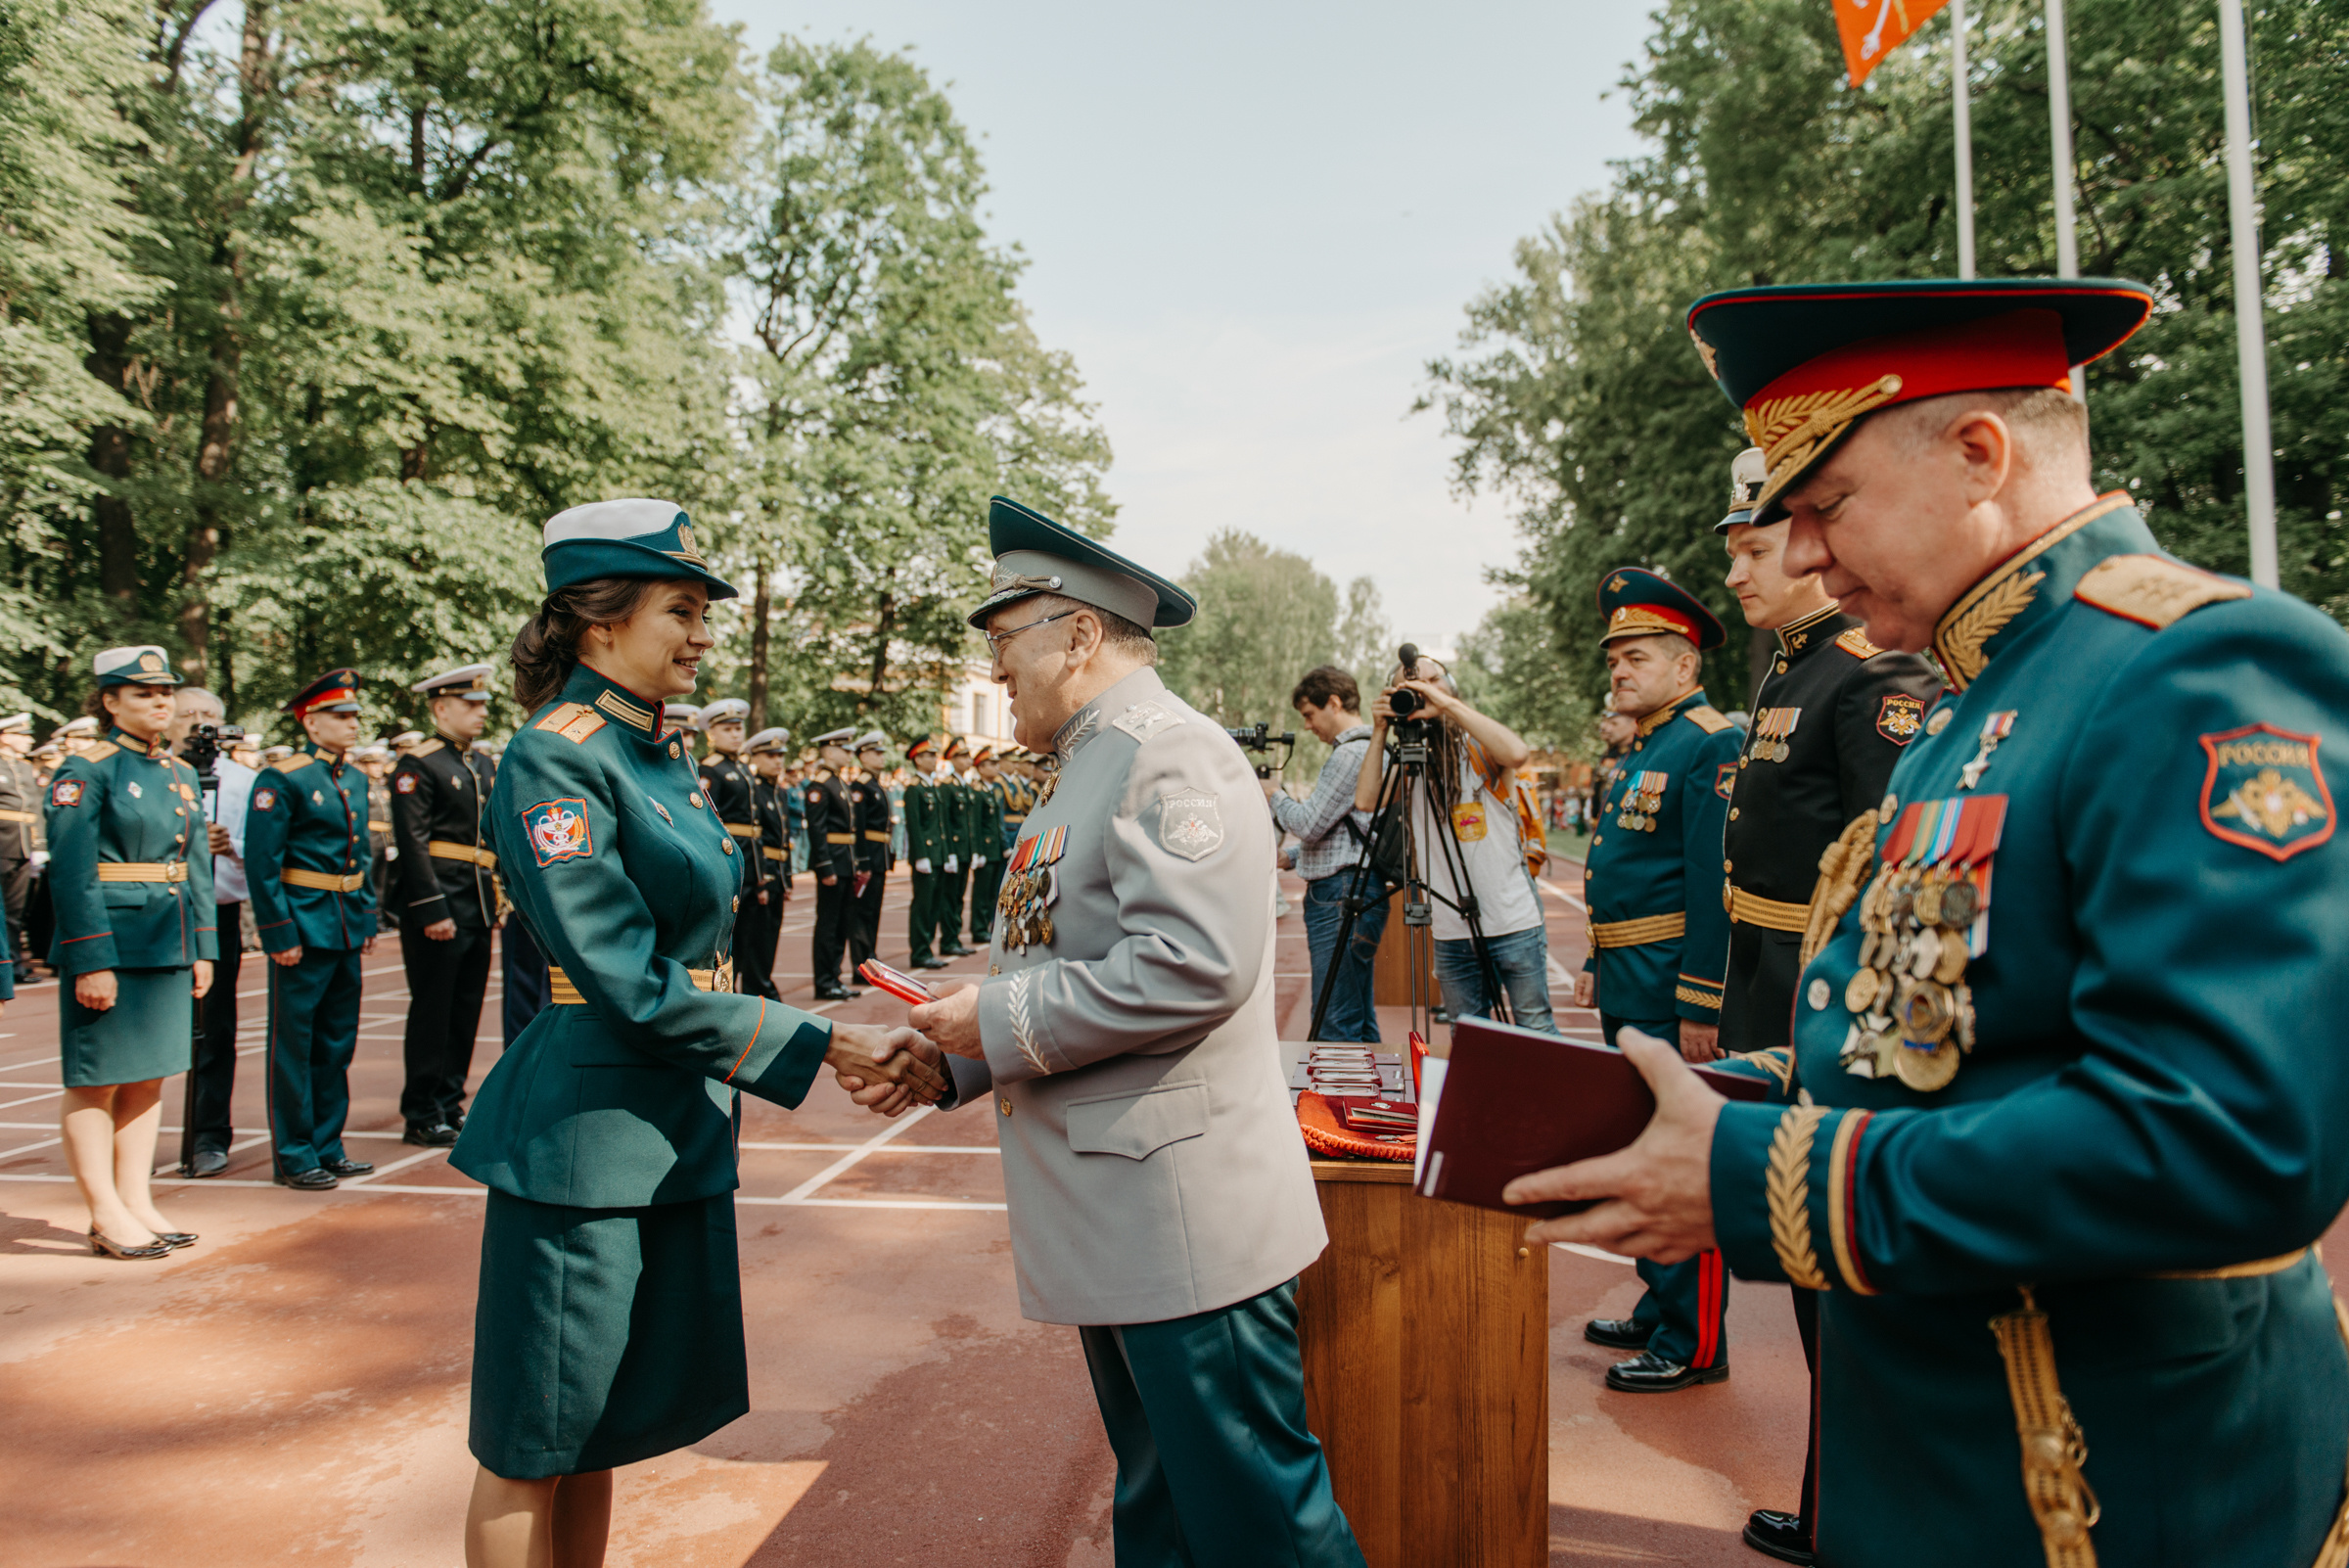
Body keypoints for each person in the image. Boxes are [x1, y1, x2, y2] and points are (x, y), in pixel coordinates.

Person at [1509, 276, 2349, 1567]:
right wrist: (1719, 1095)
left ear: (1977, 455)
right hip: (1953, 1459)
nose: (1798, 555)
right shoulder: (1976, 698)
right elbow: (1951, 1031)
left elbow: (2232, 1140)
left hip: (2099, 1486)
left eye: (1824, 505)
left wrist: (1752, 1174)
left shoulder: (2188, 667)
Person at [861, 495, 1364, 1568]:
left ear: (1080, 633)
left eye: (1005, 638)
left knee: (1260, 1522)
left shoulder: (1165, 755)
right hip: (1127, 1207)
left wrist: (987, 1019)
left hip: (1184, 1218)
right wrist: (952, 1059)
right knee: (1170, 1513)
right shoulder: (1084, 762)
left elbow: (1193, 967)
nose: (996, 668)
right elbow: (1060, 959)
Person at [449, 498, 941, 1568]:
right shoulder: (556, 757)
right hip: (585, 1137)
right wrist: (822, 1043)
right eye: (681, 609)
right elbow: (622, 974)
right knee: (533, 1434)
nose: (703, 634)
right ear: (598, 622)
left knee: (597, 1430)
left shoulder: (655, 755)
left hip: (666, 1121)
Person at [1713, 446, 1944, 1564]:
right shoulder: (1791, 669)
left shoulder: (1868, 676)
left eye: (1769, 541)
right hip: (1772, 985)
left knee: (1843, 1275)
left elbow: (1891, 885)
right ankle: (1832, 1493)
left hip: (1834, 1002)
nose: (1759, 567)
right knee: (1812, 1277)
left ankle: (1844, 1501)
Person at [1567, 570, 1743, 1395]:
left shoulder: (1710, 741)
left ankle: (1694, 1339)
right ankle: (1658, 1298)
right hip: (1632, 973)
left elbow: (1712, 883)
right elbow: (1627, 868)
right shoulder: (1650, 744)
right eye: (1615, 662)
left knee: (1681, 1153)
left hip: (1675, 981)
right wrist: (1602, 957)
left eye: (1636, 658)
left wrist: (1702, 1000)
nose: (1620, 672)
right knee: (1641, 1140)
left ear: (1685, 665)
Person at [45, 646, 216, 1257]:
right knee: (96, 1079)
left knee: (149, 1077)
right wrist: (91, 958)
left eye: (166, 692)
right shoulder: (85, 770)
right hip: (113, 945)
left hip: (167, 940)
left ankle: (136, 1198)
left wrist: (204, 946)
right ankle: (103, 1211)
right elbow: (70, 874)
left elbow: (196, 866)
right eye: (143, 693)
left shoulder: (178, 772)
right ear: (110, 702)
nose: (160, 702)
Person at [1354, 656, 1554, 1034]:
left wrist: (1443, 703)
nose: (1424, 690)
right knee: (1470, 1040)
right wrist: (1379, 730)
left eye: (1434, 680)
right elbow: (1366, 800)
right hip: (1451, 930)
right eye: (1411, 687)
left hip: (1512, 920)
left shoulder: (1478, 746)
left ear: (1452, 687)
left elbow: (1516, 753)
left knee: (1536, 1031)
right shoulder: (1410, 765)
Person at [245, 669, 380, 1191]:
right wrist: (278, 933)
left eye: (354, 716)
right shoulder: (285, 778)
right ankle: (295, 1152)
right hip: (303, 926)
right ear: (310, 720)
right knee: (294, 1046)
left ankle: (329, 1144)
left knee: (336, 1043)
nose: (352, 725)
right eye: (341, 716)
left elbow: (360, 854)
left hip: (344, 925)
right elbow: (263, 863)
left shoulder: (355, 778)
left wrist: (366, 915)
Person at [389, 663, 501, 1148]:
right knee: (433, 1008)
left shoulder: (480, 764)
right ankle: (421, 1109)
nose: (480, 713)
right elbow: (412, 844)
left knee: (466, 1008)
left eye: (482, 705)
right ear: (440, 707)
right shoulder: (420, 764)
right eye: (469, 705)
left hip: (476, 899)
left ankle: (450, 1101)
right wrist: (431, 907)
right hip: (440, 901)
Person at [1266, 666, 1384, 1041]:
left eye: (1309, 715)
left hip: (1341, 895)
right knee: (1356, 1014)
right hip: (1354, 889)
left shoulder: (1351, 754)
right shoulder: (1365, 750)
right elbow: (1346, 830)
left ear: (1333, 703)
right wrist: (1296, 856)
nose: (1308, 726)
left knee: (1334, 1018)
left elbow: (1311, 822)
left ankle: (1336, 1102)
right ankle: (1373, 1099)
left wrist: (1273, 794)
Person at [170, 686, 256, 1178]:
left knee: (215, 1027)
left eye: (207, 715)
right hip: (159, 912)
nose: (198, 723)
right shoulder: (161, 773)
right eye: (188, 714)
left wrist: (228, 845)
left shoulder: (241, 780)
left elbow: (257, 851)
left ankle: (208, 1134)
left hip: (217, 913)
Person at [695, 698, 770, 996]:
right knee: (730, 938)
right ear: (712, 734)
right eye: (727, 729)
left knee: (753, 934)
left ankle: (752, 993)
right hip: (730, 857)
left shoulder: (742, 768)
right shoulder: (710, 769)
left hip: (750, 859)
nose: (736, 734)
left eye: (738, 728)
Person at [802, 727, 860, 999]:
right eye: (844, 749)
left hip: (845, 861)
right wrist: (824, 865)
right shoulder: (821, 784)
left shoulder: (838, 782)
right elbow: (817, 828)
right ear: (828, 750)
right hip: (833, 863)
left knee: (841, 923)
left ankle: (834, 976)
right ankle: (824, 981)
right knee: (828, 924)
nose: (849, 754)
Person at [743, 725, 792, 1002]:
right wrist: (763, 878)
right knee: (756, 938)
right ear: (756, 758)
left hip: (777, 872)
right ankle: (758, 988)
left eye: (780, 755)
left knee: (770, 936)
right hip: (761, 872)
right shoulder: (754, 790)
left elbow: (783, 842)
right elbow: (756, 838)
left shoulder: (779, 792)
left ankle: (762, 984)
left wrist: (786, 880)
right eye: (770, 755)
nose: (777, 761)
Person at [900, 736, 948, 969]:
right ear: (917, 759)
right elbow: (915, 825)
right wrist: (920, 855)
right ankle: (919, 951)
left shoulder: (933, 787)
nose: (934, 759)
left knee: (934, 905)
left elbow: (941, 826)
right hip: (926, 856)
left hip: (938, 854)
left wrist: (947, 854)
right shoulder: (914, 788)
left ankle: (927, 947)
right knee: (923, 905)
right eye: (929, 755)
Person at [0, 713, 41, 984]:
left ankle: (13, 964)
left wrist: (40, 844)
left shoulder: (24, 767)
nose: (28, 740)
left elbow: (34, 806)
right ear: (5, 736)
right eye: (21, 735)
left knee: (15, 912)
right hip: (2, 842)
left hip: (24, 843)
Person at [850, 731, 894, 974]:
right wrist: (863, 860)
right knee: (862, 912)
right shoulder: (860, 787)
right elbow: (860, 827)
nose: (881, 757)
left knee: (873, 910)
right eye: (875, 753)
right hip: (870, 854)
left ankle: (870, 955)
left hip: (880, 854)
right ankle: (861, 961)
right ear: (863, 756)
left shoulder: (875, 784)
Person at [964, 746, 1004, 946]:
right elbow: (975, 825)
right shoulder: (978, 792)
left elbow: (997, 823)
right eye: (991, 764)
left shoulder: (991, 790)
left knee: (992, 892)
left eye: (997, 763)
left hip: (996, 849)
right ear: (980, 768)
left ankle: (988, 926)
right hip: (985, 850)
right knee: (981, 893)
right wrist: (977, 851)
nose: (996, 767)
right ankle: (979, 929)